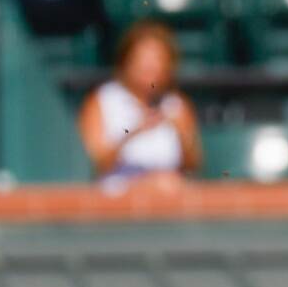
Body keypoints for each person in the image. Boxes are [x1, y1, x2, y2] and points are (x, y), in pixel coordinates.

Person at [77, 21, 202, 187]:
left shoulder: (177, 105)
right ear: (126, 61)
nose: (150, 67)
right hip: (118, 197)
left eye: (158, 59)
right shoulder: (101, 100)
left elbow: (193, 166)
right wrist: (134, 132)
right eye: (143, 58)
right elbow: (94, 165)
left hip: (171, 195)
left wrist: (182, 135)